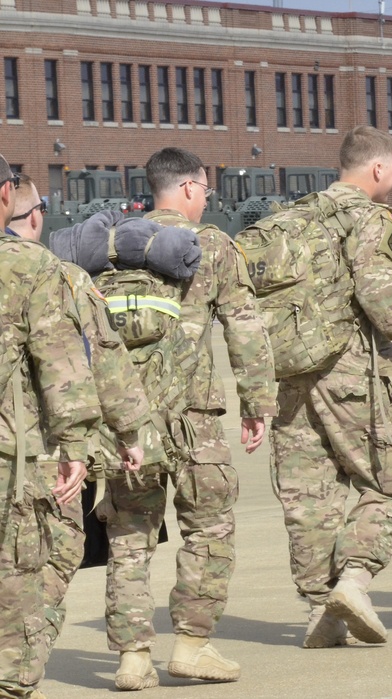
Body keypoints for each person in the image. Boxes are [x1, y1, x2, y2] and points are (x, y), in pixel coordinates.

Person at [269, 126, 392, 648]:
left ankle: (317, 610)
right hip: (350, 373)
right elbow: (375, 292)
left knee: (309, 494)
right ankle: (353, 581)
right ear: (377, 168)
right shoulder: (370, 217)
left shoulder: (292, 216)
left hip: (289, 373)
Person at [100, 147, 276, 688]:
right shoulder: (214, 245)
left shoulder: (113, 246)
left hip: (127, 418)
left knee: (130, 534)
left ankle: (133, 657)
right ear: (193, 189)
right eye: (206, 191)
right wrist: (257, 404)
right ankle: (193, 645)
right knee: (209, 527)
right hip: (194, 415)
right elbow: (244, 328)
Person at [9, 174, 151, 674]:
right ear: (33, 216)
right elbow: (88, 360)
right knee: (48, 556)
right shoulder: (51, 273)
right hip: (25, 453)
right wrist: (124, 435)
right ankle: (16, 674)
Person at [0, 154, 102, 699]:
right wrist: (77, 445)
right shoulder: (32, 269)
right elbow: (62, 364)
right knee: (18, 590)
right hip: (9, 459)